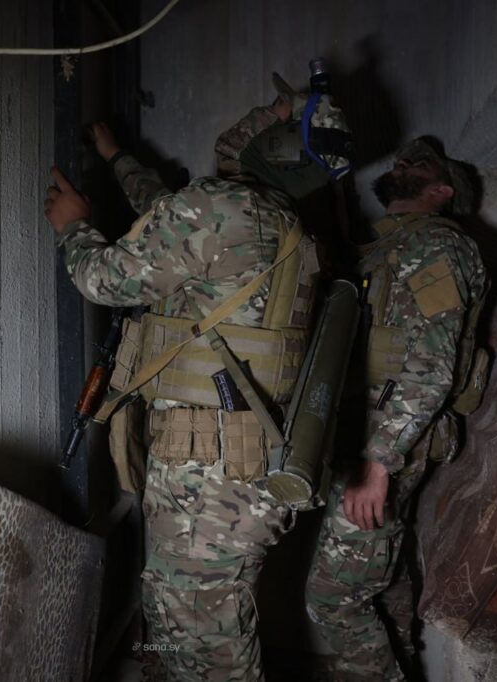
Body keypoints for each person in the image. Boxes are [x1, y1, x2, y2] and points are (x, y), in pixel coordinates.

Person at [43, 85, 351, 680]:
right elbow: (167, 210)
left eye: (278, 116)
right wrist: (115, 156)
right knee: (182, 621)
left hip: (209, 479)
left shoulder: (224, 206)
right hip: (236, 467)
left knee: (208, 645)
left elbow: (106, 280)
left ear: (284, 145)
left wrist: (74, 226)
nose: (260, 119)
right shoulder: (282, 223)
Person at [305, 137, 488, 681]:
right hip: (365, 436)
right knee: (383, 582)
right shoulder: (387, 245)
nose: (403, 163)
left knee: (334, 599)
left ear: (442, 191)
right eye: (402, 158)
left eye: (420, 163)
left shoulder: (437, 244)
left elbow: (433, 366)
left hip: (387, 443)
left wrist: (378, 465)